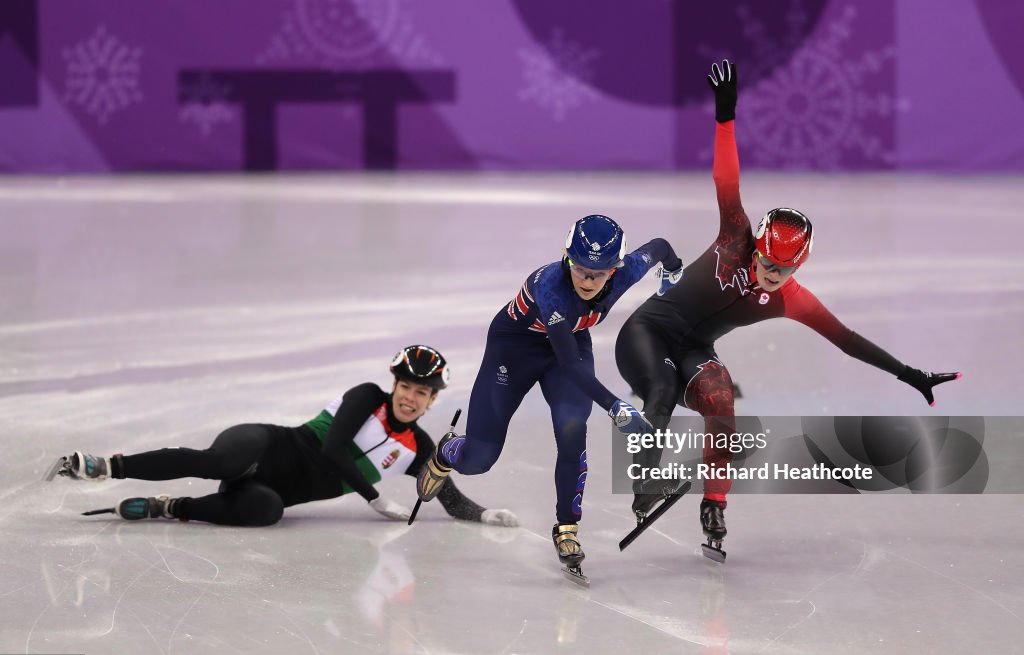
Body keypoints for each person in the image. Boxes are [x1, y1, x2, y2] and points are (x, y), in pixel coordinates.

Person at [614, 60, 960, 560]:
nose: (772, 274)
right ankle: (643, 486)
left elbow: (847, 340)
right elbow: (725, 179)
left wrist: (910, 374)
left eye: (784, 269)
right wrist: (725, 118)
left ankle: (715, 505)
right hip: (645, 334)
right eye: (767, 262)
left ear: (799, 268)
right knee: (663, 389)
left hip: (692, 347)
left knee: (721, 403)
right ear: (755, 246)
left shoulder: (791, 300)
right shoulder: (735, 235)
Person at [414, 215, 684, 580]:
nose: (589, 281)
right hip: (514, 350)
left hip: (570, 344)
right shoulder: (551, 289)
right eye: (581, 269)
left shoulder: (628, 269)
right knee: (479, 459)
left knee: (572, 430)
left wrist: (673, 270)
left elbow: (661, 247)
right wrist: (616, 406)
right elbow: (571, 366)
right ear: (567, 259)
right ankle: (449, 451)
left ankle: (567, 528)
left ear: (616, 269)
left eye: (600, 272)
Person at [53, 345, 519, 528]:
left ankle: (169, 508)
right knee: (220, 463)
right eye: (406, 387)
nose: (410, 399)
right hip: (264, 444)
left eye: (422, 393)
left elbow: (448, 498)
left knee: (267, 512)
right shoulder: (366, 397)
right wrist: (373, 497)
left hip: (274, 489)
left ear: (432, 400)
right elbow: (334, 449)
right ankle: (107, 467)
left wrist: (485, 513)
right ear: (394, 384)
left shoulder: (420, 450)